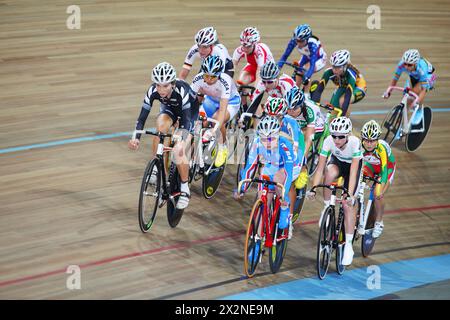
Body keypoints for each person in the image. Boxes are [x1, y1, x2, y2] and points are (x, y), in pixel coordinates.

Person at [128, 62, 199, 209]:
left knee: (179, 149)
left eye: (165, 86)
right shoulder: (152, 91)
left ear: (172, 84)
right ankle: (157, 170)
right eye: (158, 85)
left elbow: (186, 120)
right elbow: (141, 118)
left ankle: (185, 188)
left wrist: (182, 139)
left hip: (189, 113)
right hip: (170, 109)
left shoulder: (182, 91)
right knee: (159, 131)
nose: (161, 89)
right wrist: (136, 138)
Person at [307, 117, 363, 266]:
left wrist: (350, 195)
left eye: (341, 137)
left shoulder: (355, 143)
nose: (337, 140)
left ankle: (349, 245)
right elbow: (319, 169)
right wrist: (314, 188)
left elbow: (353, 173)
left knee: (346, 204)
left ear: (348, 135)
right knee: (329, 174)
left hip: (352, 169)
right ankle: (326, 207)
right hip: (338, 163)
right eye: (334, 136)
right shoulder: (328, 141)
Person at [235, 115, 294, 240]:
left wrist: (284, 193)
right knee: (263, 198)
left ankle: (284, 207)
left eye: (271, 139)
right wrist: (242, 188)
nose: (266, 142)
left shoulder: (284, 145)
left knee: (278, 178)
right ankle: (258, 239)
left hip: (284, 169)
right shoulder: (257, 143)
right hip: (269, 167)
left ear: (277, 136)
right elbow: (250, 167)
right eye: (263, 139)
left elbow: (289, 172)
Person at [190, 55, 241, 167]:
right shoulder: (198, 79)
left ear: (219, 75)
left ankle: (222, 146)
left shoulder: (225, 81)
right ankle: (195, 153)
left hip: (230, 102)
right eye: (206, 76)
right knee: (199, 123)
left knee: (216, 119)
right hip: (211, 100)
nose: (208, 80)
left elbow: (223, 109)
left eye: (213, 77)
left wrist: (215, 129)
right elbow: (189, 102)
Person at [263, 97, 305, 231]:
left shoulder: (290, 123)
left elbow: (294, 149)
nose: (273, 120)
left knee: (288, 181)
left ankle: (289, 219)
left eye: (277, 117)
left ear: (283, 115)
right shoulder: (267, 123)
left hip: (293, 154)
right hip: (278, 153)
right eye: (270, 116)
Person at [360, 120, 396, 238]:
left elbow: (384, 171)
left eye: (372, 141)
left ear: (377, 140)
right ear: (362, 139)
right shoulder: (360, 146)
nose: (369, 144)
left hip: (386, 168)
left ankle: (379, 221)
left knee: (377, 193)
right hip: (371, 165)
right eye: (366, 140)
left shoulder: (381, 148)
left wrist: (382, 191)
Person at [383, 49, 436, 123]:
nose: (406, 67)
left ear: (415, 63)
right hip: (414, 76)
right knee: (405, 96)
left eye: (409, 65)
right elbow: (395, 79)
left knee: (414, 93)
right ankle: (403, 121)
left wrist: (416, 102)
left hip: (428, 77)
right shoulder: (401, 65)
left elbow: (423, 90)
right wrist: (388, 91)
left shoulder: (422, 68)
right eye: (405, 64)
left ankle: (419, 110)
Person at [310, 49, 367, 116]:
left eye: (337, 67)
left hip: (358, 88)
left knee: (342, 101)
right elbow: (319, 90)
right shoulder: (328, 72)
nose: (334, 70)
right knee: (331, 112)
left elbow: (347, 97)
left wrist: (342, 116)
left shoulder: (351, 75)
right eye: (333, 66)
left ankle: (346, 121)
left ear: (345, 66)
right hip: (343, 86)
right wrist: (313, 107)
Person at [284, 86, 326, 175]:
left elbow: (308, 139)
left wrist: (303, 161)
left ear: (301, 105)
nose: (291, 112)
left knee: (302, 136)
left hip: (317, 124)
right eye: (288, 109)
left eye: (294, 109)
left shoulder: (309, 110)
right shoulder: (286, 108)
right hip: (301, 124)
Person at [277, 24, 327, 93]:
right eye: (297, 40)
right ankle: (295, 92)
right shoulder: (294, 41)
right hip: (306, 56)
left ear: (307, 39)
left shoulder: (312, 44)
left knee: (306, 69)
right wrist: (277, 68)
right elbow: (285, 56)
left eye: (301, 41)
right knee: (298, 70)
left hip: (319, 59)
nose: (298, 43)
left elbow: (312, 64)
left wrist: (307, 77)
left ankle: (306, 95)